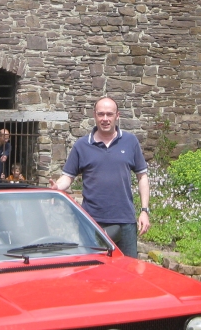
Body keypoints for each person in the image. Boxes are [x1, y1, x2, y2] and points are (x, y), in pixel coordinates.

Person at [51, 97, 149, 258]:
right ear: (94, 115)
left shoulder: (130, 142)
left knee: (129, 273)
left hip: (125, 220)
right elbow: (67, 178)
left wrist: (144, 211)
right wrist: (57, 188)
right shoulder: (82, 145)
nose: (105, 119)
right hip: (92, 222)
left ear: (117, 115)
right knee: (93, 273)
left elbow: (142, 177)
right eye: (101, 114)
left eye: (109, 114)